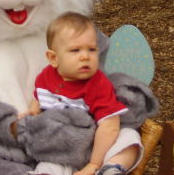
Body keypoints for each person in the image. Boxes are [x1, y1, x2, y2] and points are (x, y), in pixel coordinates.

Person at [20, 12, 143, 175]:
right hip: (62, 149)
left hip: (95, 146)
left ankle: (112, 167)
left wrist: (93, 163)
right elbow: (39, 96)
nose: (85, 56)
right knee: (49, 165)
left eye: (91, 49)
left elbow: (110, 126)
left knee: (130, 138)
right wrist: (33, 111)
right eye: (75, 50)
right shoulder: (45, 77)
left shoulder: (98, 83)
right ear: (53, 58)